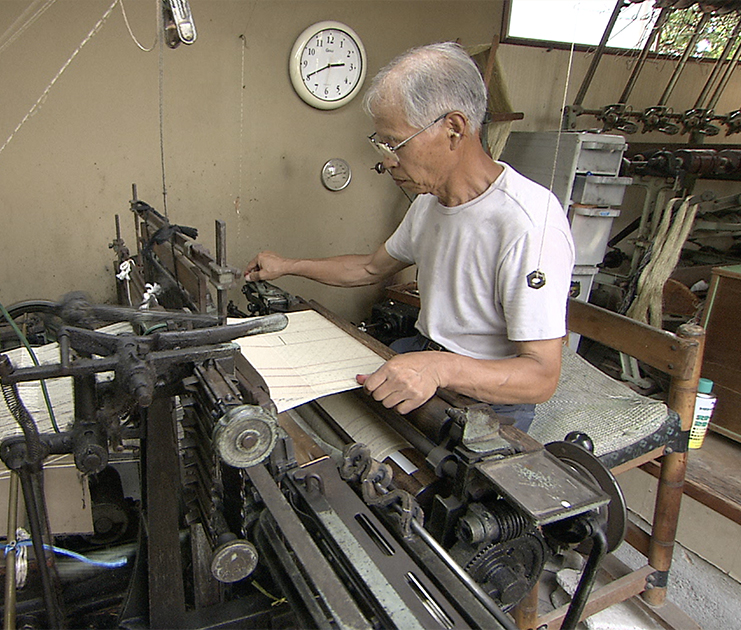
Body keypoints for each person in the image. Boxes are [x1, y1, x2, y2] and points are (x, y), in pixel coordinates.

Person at [244, 42, 574, 432]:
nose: (385, 160)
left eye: (395, 144)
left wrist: (440, 368)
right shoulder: (430, 201)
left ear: (454, 128)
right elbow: (370, 267)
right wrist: (288, 266)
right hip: (423, 355)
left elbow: (541, 377)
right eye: (380, 144)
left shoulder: (530, 224)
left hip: (487, 398)